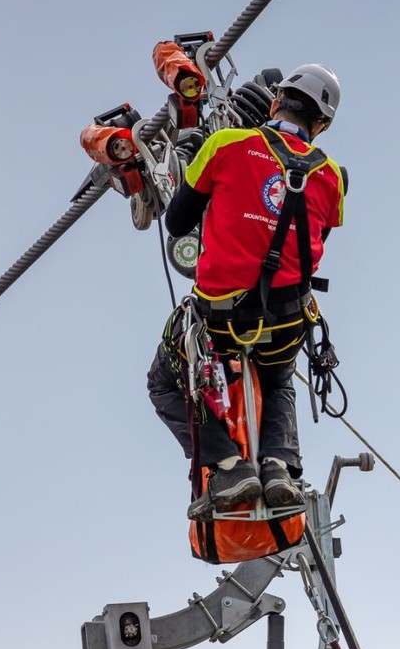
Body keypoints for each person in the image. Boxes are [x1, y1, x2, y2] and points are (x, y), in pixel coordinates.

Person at [147, 64, 345, 516]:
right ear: (322, 124)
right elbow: (310, 244)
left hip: (221, 318)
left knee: (165, 381)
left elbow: (177, 223)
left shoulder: (226, 144)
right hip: (285, 321)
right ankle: (279, 465)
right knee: (278, 380)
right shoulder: (332, 177)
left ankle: (230, 466)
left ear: (277, 101)